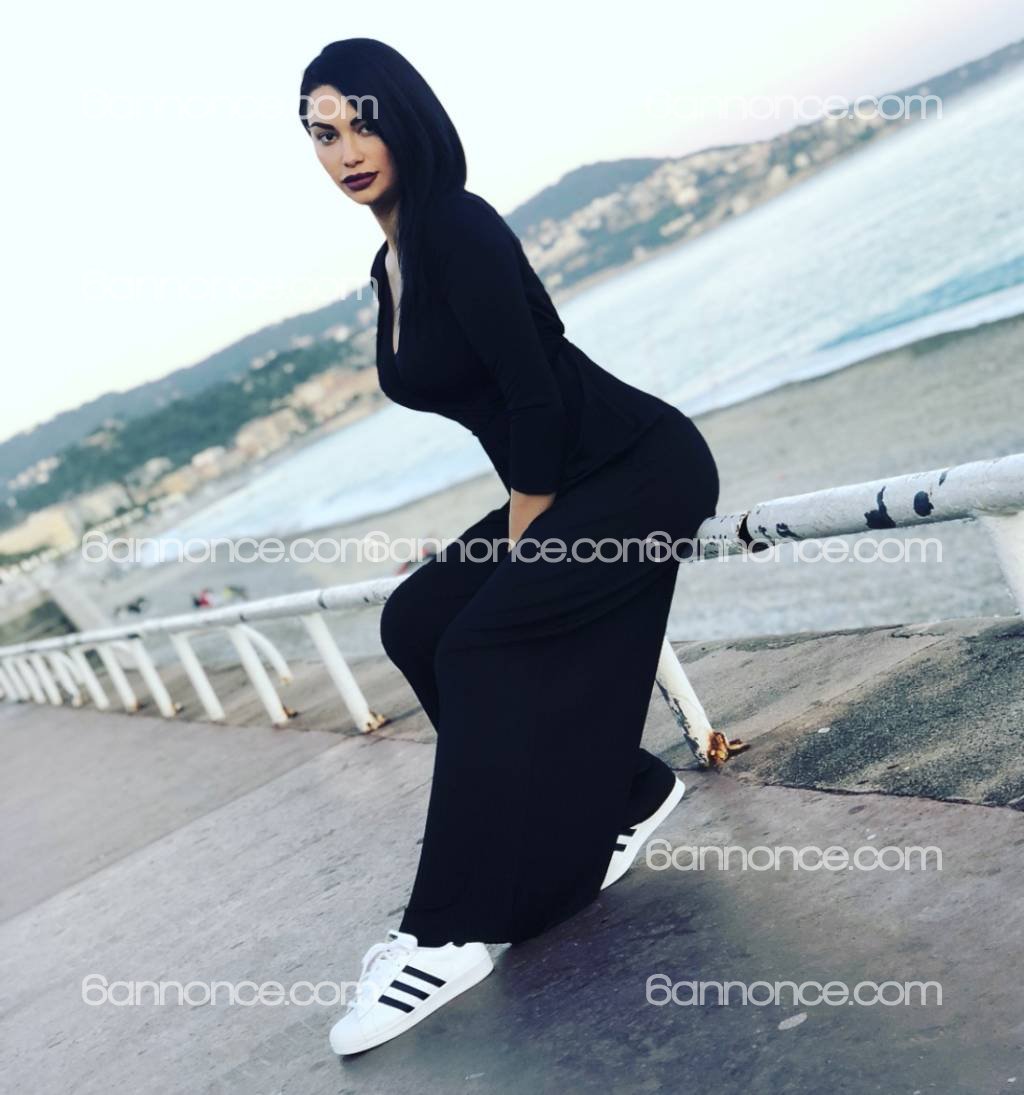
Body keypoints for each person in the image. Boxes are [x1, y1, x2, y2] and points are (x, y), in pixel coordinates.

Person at [297, 39, 720, 1057]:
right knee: (420, 619)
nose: (346, 150)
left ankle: (443, 936)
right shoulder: (390, 262)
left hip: (637, 469)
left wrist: (527, 529)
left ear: (406, 120)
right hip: (573, 477)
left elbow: (534, 390)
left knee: (481, 644)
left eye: (362, 124)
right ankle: (627, 790)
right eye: (322, 134)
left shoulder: (456, 223)